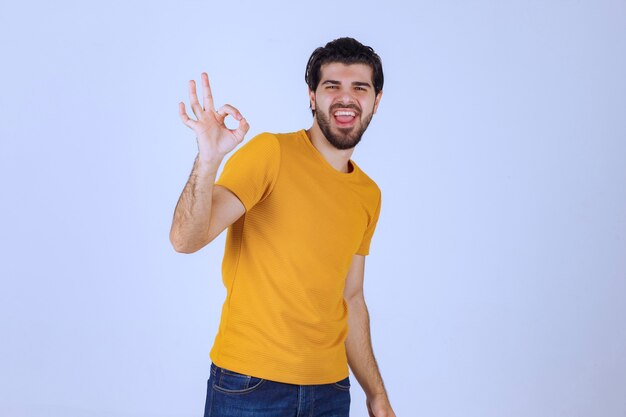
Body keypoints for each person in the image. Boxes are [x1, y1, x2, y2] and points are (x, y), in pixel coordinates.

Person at [170, 37, 396, 417]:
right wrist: (208, 160)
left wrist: (375, 394)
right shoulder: (270, 153)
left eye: (360, 87)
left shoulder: (368, 194)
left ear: (376, 101)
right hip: (250, 386)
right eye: (331, 86)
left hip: (332, 392)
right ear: (311, 96)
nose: (346, 98)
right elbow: (185, 240)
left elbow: (352, 298)